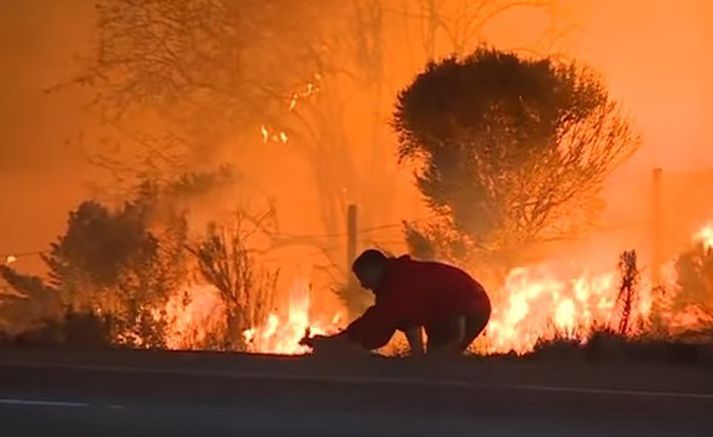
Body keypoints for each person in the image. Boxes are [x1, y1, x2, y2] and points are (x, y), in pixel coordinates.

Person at [303, 249, 491, 356]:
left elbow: (381, 324)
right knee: (433, 362)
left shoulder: (398, 284)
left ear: (375, 269)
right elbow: (406, 320)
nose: (362, 284)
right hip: (458, 306)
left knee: (438, 363)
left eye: (363, 277)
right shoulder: (396, 280)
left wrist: (337, 344)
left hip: (468, 306)